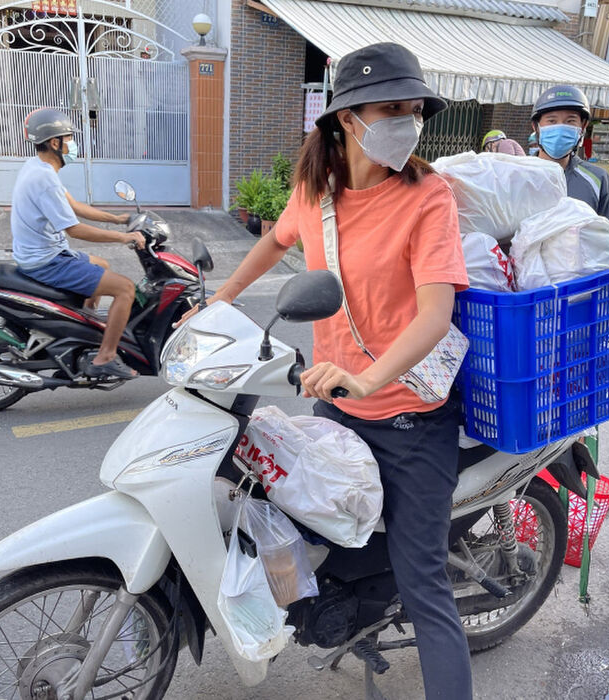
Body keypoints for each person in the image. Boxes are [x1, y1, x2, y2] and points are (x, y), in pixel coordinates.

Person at [182, 42, 473, 699]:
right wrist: (215, 305)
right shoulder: (317, 188)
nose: (407, 120)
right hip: (338, 406)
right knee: (289, 525)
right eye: (391, 108)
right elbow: (275, 242)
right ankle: (348, 615)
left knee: (423, 582)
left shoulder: (429, 195)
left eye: (414, 109)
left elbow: (434, 314)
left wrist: (371, 379)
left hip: (411, 419)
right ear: (348, 117)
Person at [11, 108, 146, 379]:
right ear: (55, 143)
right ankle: (105, 357)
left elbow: (75, 207)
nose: (73, 144)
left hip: (43, 253)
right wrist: (124, 237)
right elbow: (75, 229)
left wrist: (118, 219)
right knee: (125, 289)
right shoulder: (45, 178)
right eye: (69, 137)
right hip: (47, 261)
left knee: (102, 264)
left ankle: (83, 330)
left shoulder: (36, 166)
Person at [531, 85, 609, 224]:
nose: (560, 127)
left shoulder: (597, 179)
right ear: (535, 126)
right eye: (551, 121)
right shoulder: (516, 175)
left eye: (570, 121)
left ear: (582, 127)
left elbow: (606, 238)